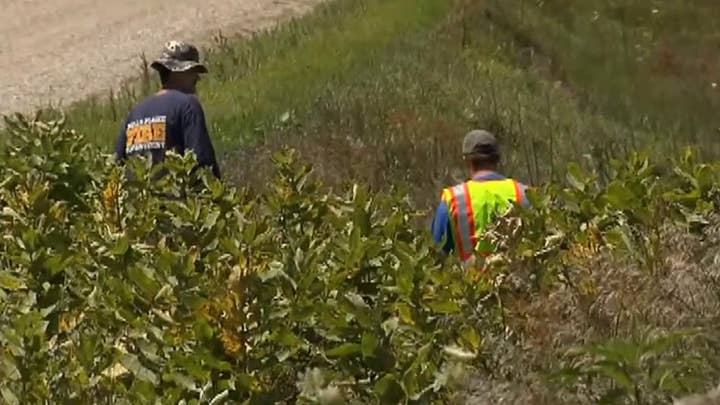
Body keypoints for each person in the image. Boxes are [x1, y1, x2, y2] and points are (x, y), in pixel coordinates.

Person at [114, 40, 221, 180]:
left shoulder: (135, 113)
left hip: (140, 200)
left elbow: (116, 167)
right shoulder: (188, 106)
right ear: (179, 71)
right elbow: (203, 164)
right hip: (175, 199)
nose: (197, 78)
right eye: (193, 71)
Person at [431, 129, 530, 268]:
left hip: (472, 287)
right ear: (498, 159)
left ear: (467, 160)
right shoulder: (525, 194)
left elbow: (438, 254)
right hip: (521, 286)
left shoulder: (453, 199)